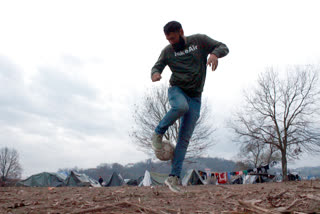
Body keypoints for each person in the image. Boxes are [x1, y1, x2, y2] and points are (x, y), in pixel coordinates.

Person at [151, 21, 229, 192]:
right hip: (177, 90)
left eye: (173, 38)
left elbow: (223, 46)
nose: (171, 42)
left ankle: (174, 178)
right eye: (168, 39)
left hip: (195, 96)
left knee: (184, 139)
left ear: (181, 32)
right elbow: (158, 65)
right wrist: (156, 73)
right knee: (180, 107)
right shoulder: (168, 51)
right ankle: (157, 133)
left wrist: (215, 54)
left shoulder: (199, 41)